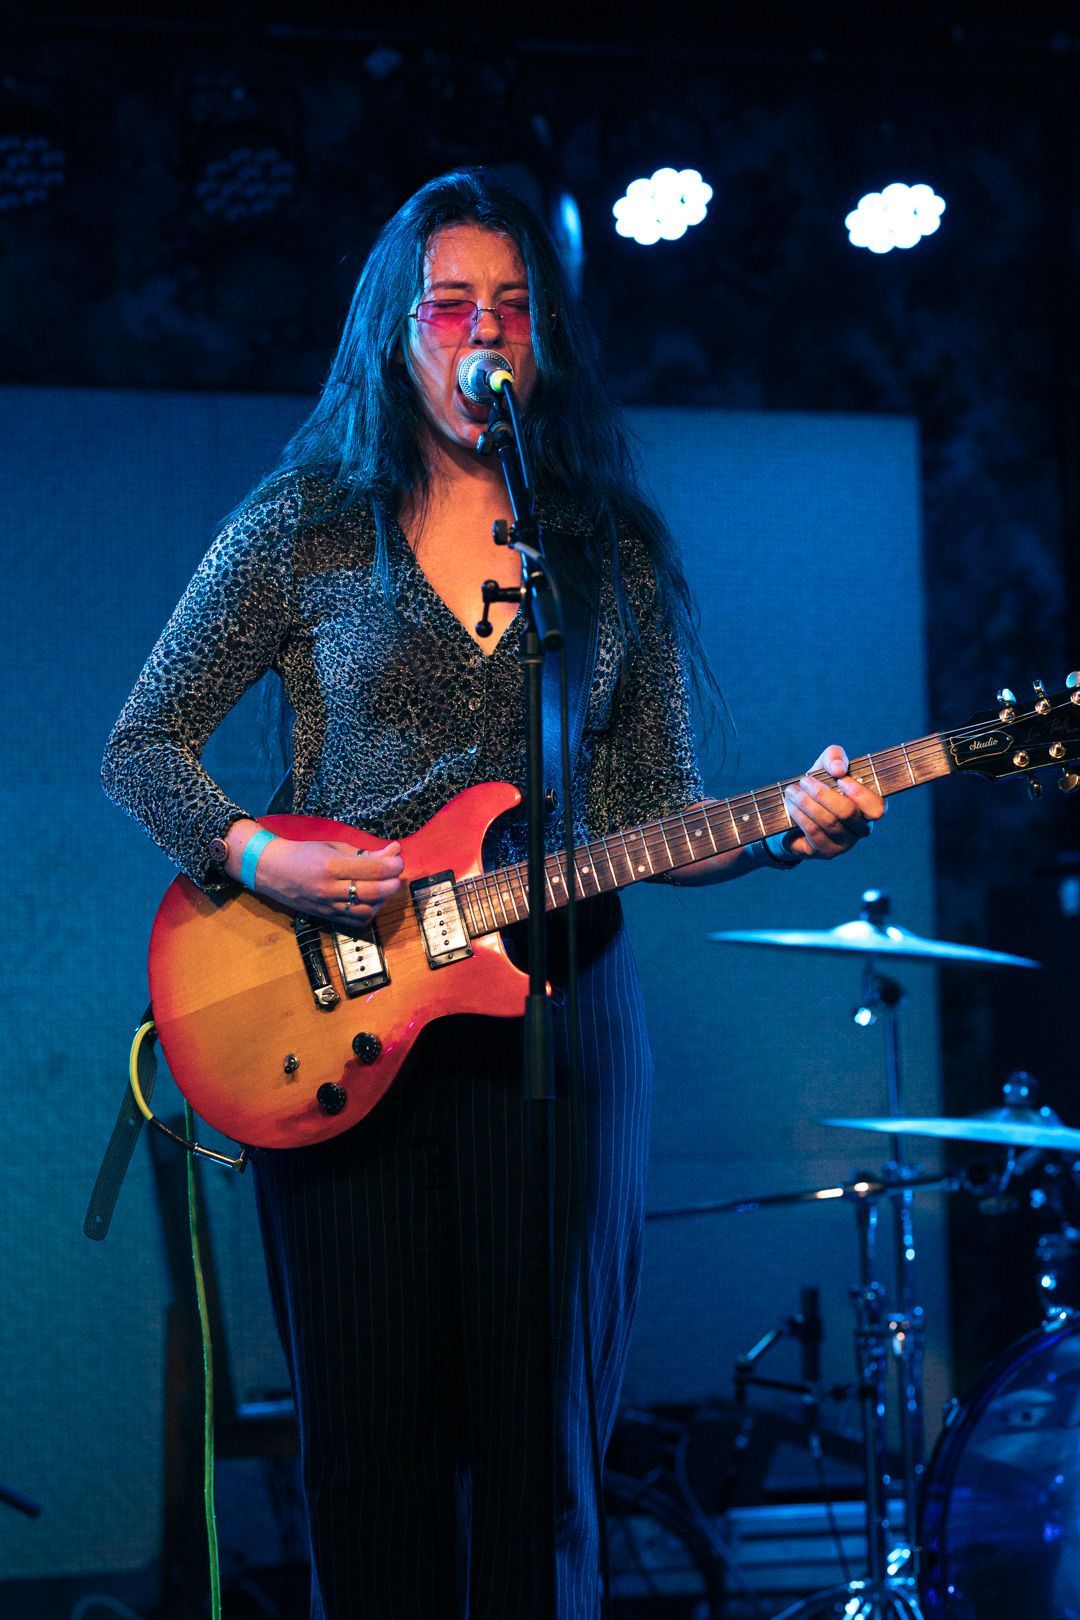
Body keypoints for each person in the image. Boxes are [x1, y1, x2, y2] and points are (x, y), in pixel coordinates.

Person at [102, 167, 885, 1620]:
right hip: (338, 1022)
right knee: (373, 1467)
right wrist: (259, 852)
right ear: (398, 330)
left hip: (560, 1028)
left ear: (544, 343)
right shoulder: (304, 525)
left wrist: (783, 826)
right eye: (452, 305)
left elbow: (654, 810)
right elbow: (140, 746)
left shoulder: (608, 551)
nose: (483, 335)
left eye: (511, 311)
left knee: (547, 1477)